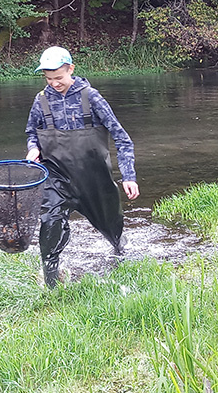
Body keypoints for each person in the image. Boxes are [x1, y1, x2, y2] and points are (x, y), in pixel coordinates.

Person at [25, 46, 139, 287]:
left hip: (94, 180)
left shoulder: (91, 97)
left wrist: (129, 176)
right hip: (56, 177)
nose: (53, 83)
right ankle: (52, 283)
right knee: (50, 220)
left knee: (113, 232)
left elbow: (122, 137)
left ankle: (121, 258)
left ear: (71, 69)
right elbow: (31, 132)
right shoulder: (41, 100)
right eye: (48, 78)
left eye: (59, 77)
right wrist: (33, 148)